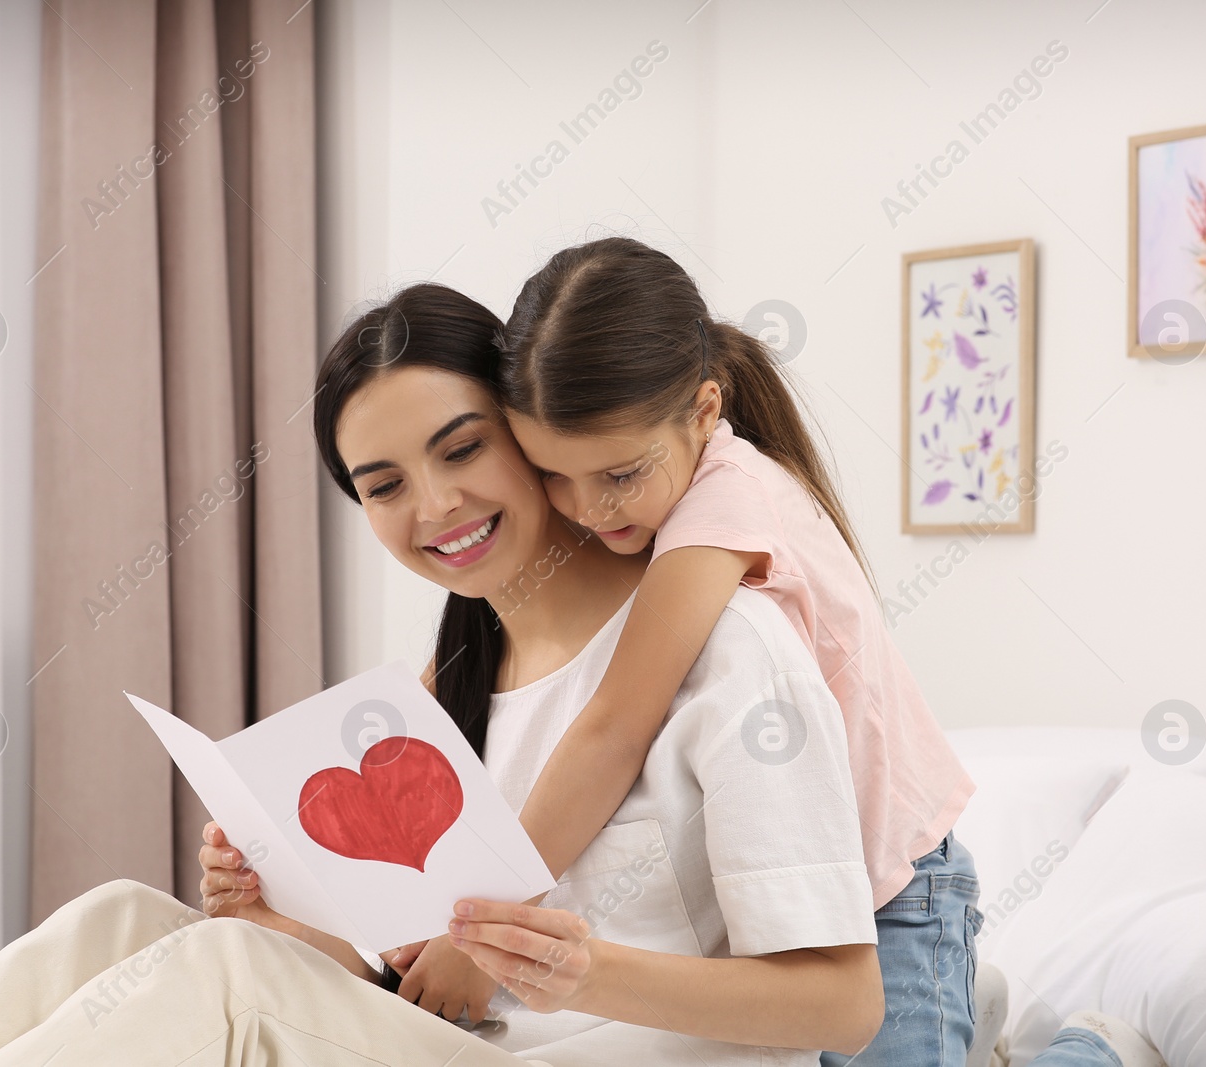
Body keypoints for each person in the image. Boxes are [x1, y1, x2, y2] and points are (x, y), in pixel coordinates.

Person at [0, 282, 885, 1067]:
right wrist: (281, 917)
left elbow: (840, 1002)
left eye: (460, 448)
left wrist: (580, 969)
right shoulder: (446, 689)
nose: (432, 506)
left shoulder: (728, 645)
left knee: (223, 978)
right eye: (384, 484)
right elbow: (417, 982)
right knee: (124, 913)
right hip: (476, 1046)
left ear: (532, 430)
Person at [383, 237, 982, 1066]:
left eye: (620, 474)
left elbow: (616, 724)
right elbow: (470, 690)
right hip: (813, 882)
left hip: (899, 885)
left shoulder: (719, 512)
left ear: (705, 410)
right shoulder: (662, 500)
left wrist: (481, 926)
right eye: (555, 474)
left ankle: (1085, 1049)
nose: (587, 509)